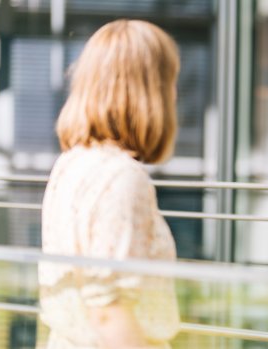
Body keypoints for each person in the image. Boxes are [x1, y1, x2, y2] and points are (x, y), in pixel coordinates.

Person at [38, 19, 180, 349]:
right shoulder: (123, 178)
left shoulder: (71, 163)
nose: (174, 94)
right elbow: (108, 311)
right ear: (149, 90)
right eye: (168, 81)